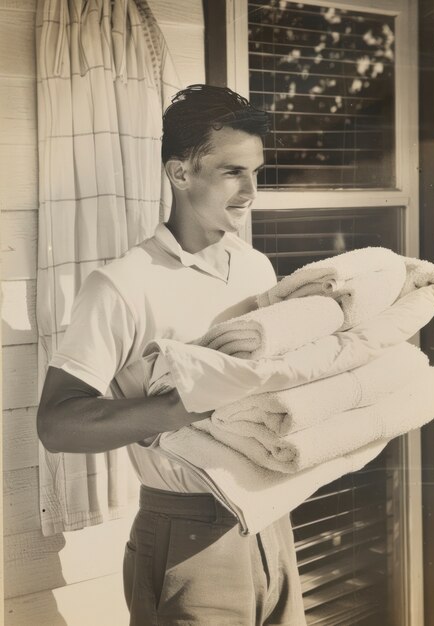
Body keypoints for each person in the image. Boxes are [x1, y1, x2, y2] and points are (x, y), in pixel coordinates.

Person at [37, 84, 306, 626]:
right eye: (232, 171)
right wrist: (190, 403)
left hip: (271, 523)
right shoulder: (122, 284)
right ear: (180, 173)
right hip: (187, 537)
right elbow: (57, 425)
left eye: (256, 171)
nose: (250, 190)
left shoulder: (256, 269)